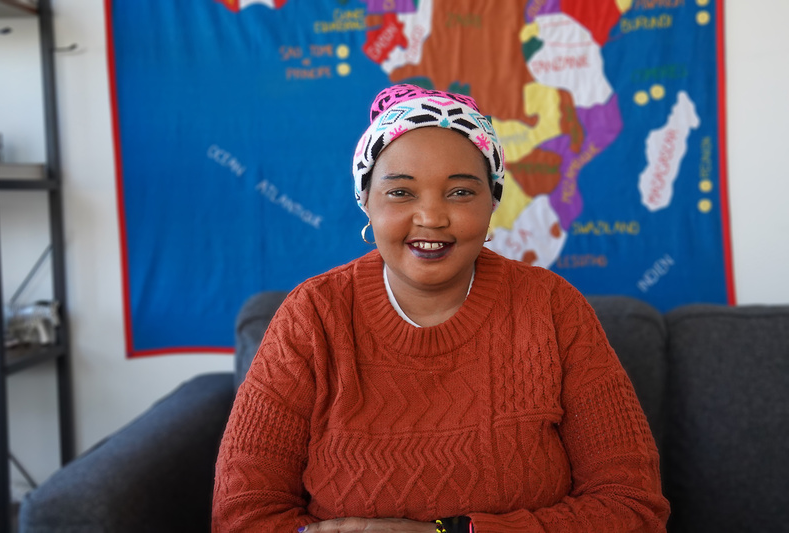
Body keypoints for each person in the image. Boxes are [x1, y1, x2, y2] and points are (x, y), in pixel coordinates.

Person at [212, 84, 670, 532]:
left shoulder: (553, 308)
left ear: (493, 201)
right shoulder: (311, 317)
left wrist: (450, 532)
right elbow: (242, 516)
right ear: (365, 201)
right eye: (400, 192)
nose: (431, 217)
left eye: (460, 192)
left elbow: (633, 507)